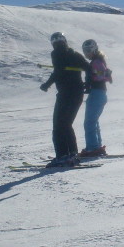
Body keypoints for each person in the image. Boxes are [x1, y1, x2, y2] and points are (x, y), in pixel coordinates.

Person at [39, 32, 90, 166]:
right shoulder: (75, 54)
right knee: (66, 124)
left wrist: (47, 84)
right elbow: (88, 68)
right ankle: (72, 154)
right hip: (76, 93)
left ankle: (63, 155)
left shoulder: (56, 54)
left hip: (66, 94)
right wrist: (88, 84)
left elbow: (58, 72)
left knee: (58, 125)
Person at [79, 40, 112, 157]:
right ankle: (96, 146)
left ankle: (92, 148)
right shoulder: (96, 61)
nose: (86, 53)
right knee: (93, 121)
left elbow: (102, 75)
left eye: (88, 51)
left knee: (89, 122)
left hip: (97, 93)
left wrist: (92, 74)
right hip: (99, 93)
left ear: (94, 49)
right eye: (84, 51)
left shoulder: (97, 61)